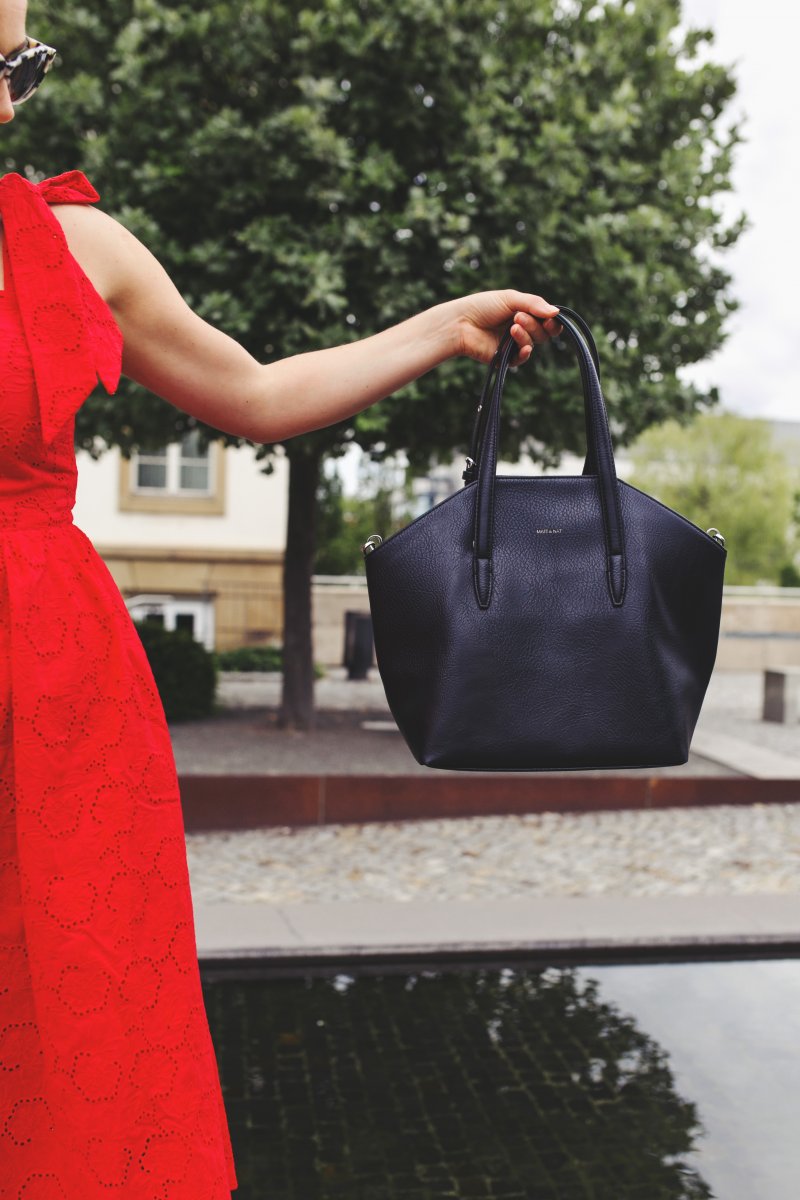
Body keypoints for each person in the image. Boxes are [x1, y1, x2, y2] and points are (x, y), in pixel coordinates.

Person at [0, 3, 561, 1196]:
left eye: (20, 66)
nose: (5, 103)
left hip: (49, 685)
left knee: (71, 1007)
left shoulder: (72, 246)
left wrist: (433, 327)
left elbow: (255, 394)